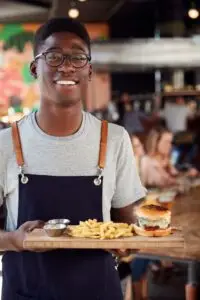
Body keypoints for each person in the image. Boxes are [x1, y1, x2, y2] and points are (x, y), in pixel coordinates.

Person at [0, 18, 146, 300]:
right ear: (34, 67)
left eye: (78, 57)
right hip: (25, 293)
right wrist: (16, 240)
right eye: (53, 56)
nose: (66, 66)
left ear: (89, 70)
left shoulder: (114, 139)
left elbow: (127, 230)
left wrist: (129, 242)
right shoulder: (5, 144)